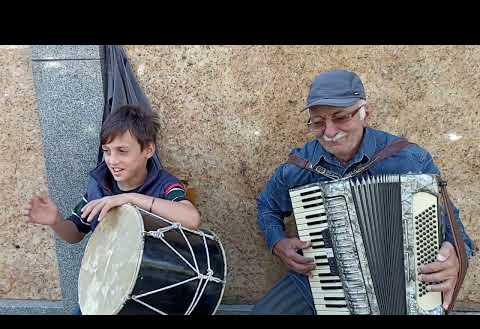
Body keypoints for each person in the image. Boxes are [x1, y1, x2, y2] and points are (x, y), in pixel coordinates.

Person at [254, 69, 474, 315]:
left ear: (365, 114)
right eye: (318, 122)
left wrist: (454, 257)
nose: (329, 131)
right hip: (320, 277)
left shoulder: (411, 161)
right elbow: (268, 206)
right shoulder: (299, 167)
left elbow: (457, 234)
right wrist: (278, 242)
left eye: (340, 117)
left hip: (403, 285)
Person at [24, 104, 201, 313]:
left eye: (122, 151)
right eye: (107, 151)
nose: (112, 160)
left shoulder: (164, 184)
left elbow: (191, 219)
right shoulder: (99, 185)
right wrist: (56, 221)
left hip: (153, 287)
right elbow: (75, 234)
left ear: (148, 150)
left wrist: (130, 198)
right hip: (110, 287)